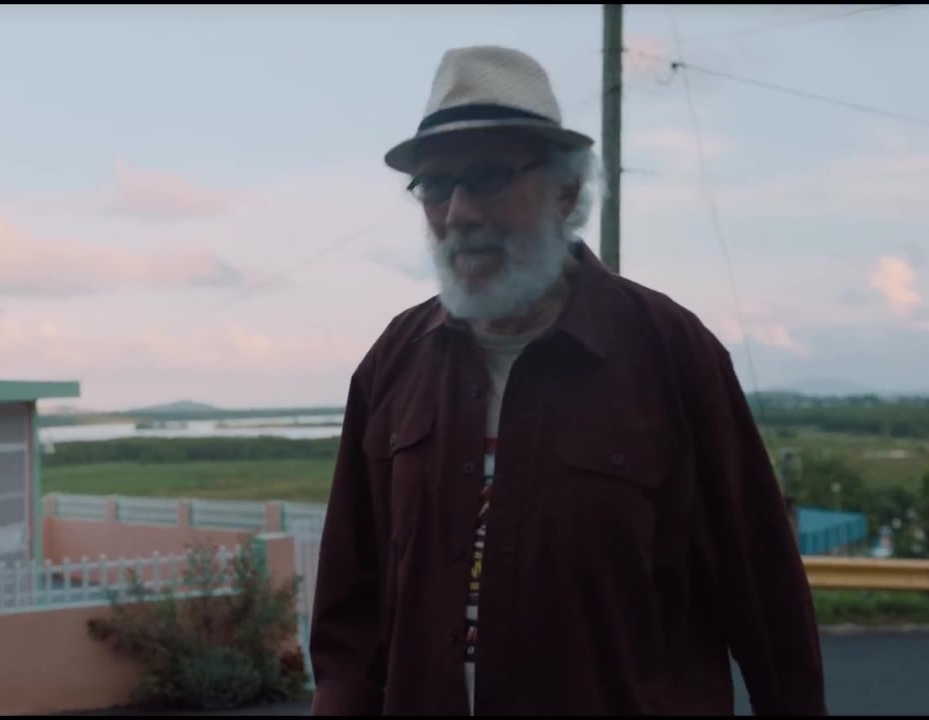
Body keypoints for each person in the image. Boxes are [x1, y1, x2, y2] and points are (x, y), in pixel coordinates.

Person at [308, 46, 827, 716]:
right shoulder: (393, 363)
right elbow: (350, 617)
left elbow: (764, 591)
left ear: (567, 191)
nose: (458, 213)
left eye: (489, 177)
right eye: (435, 186)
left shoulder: (672, 352)